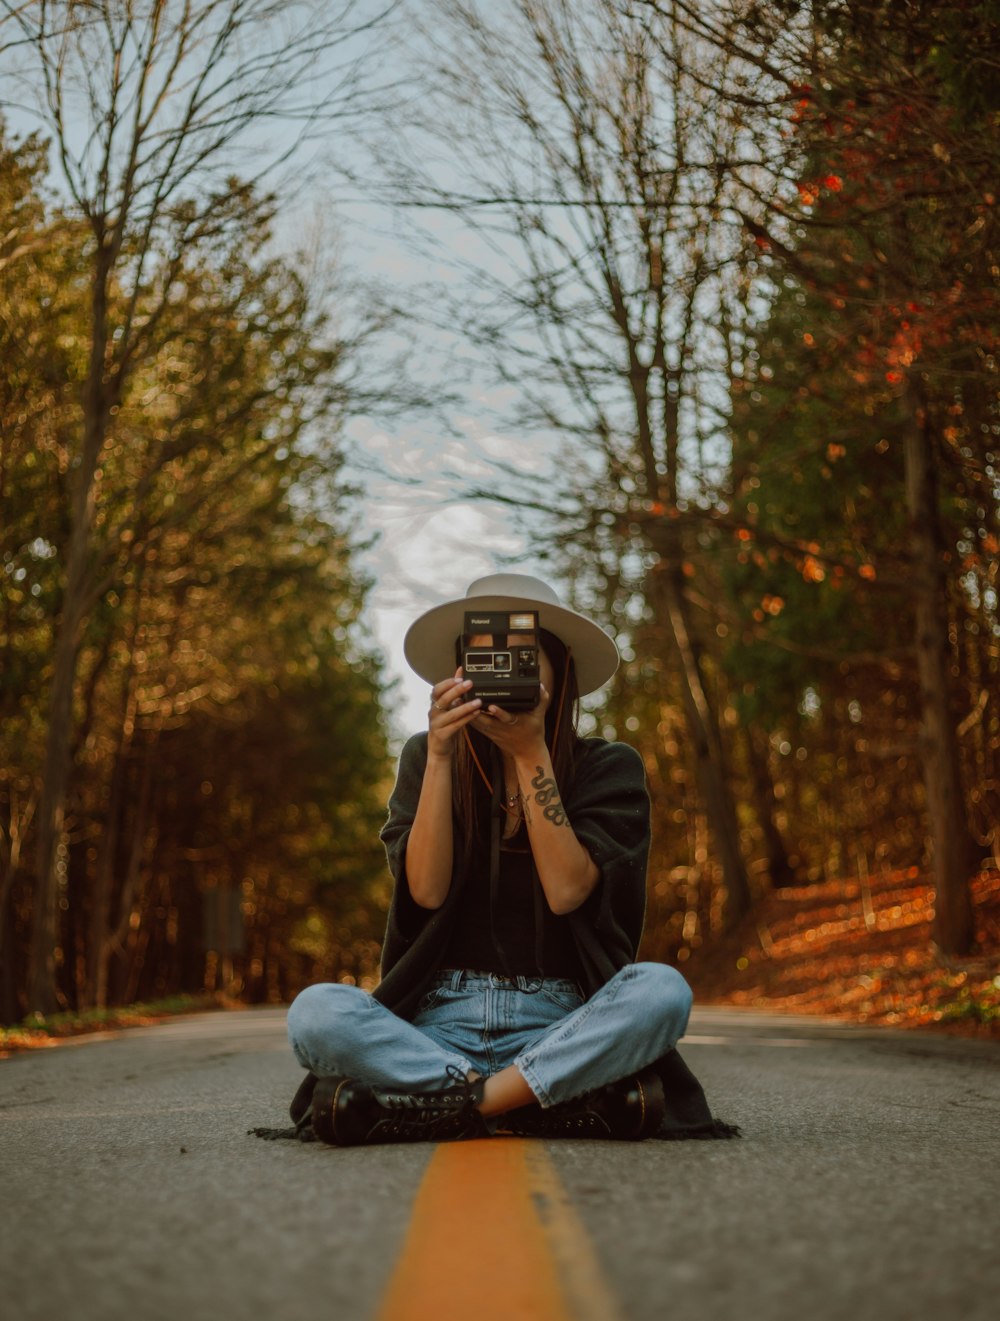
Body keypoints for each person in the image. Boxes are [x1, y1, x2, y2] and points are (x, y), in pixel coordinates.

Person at [280, 573, 736, 1146]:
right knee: (316, 1012)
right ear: (458, 675)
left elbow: (569, 891)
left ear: (559, 671)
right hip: (436, 1025)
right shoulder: (426, 755)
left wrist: (531, 753)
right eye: (484, 660)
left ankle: (449, 1107)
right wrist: (442, 755)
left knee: (662, 992)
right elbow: (424, 890)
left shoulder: (608, 766)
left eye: (520, 659)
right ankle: (535, 1102)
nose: (501, 673)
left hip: (563, 1024)